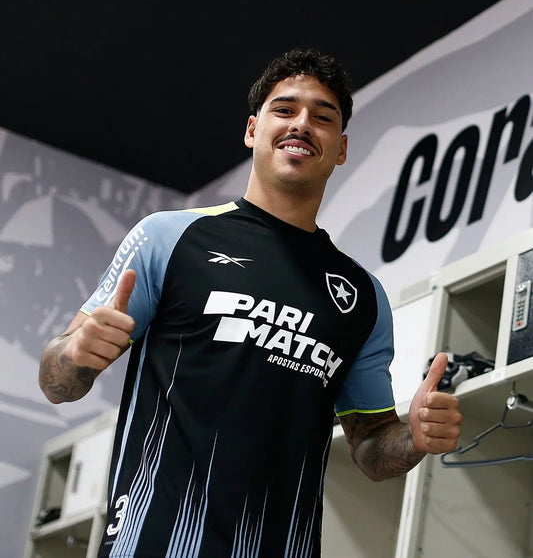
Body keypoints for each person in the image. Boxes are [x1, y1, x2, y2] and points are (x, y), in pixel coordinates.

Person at [39, 48, 462, 557]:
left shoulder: (363, 296)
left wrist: (414, 438)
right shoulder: (169, 237)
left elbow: (370, 447)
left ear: (341, 148)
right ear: (252, 129)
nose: (301, 124)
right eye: (284, 109)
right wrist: (74, 353)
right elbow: (56, 383)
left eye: (322, 117)